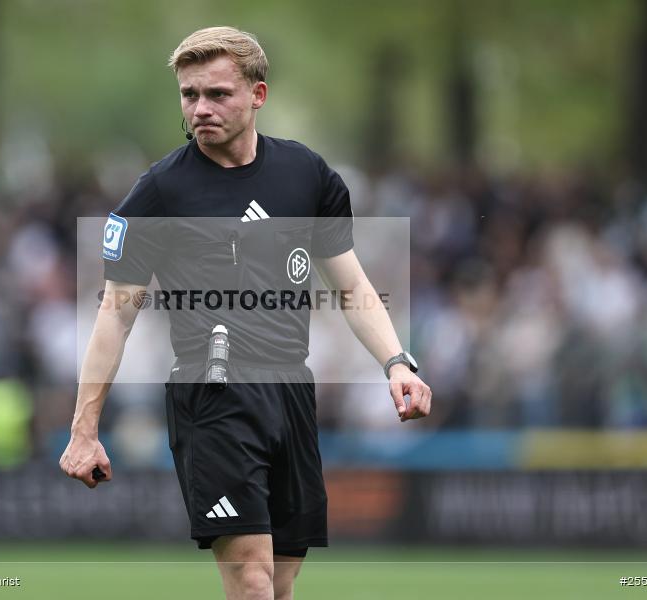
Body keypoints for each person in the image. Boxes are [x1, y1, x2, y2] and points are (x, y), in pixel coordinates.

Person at [61, 26, 431, 600]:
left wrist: (397, 362)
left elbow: (352, 284)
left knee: (280, 587)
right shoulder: (159, 192)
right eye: (189, 95)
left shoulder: (307, 175)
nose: (200, 108)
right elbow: (115, 314)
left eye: (217, 94)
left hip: (291, 393)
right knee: (252, 579)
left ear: (258, 95)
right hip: (212, 395)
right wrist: (84, 430)